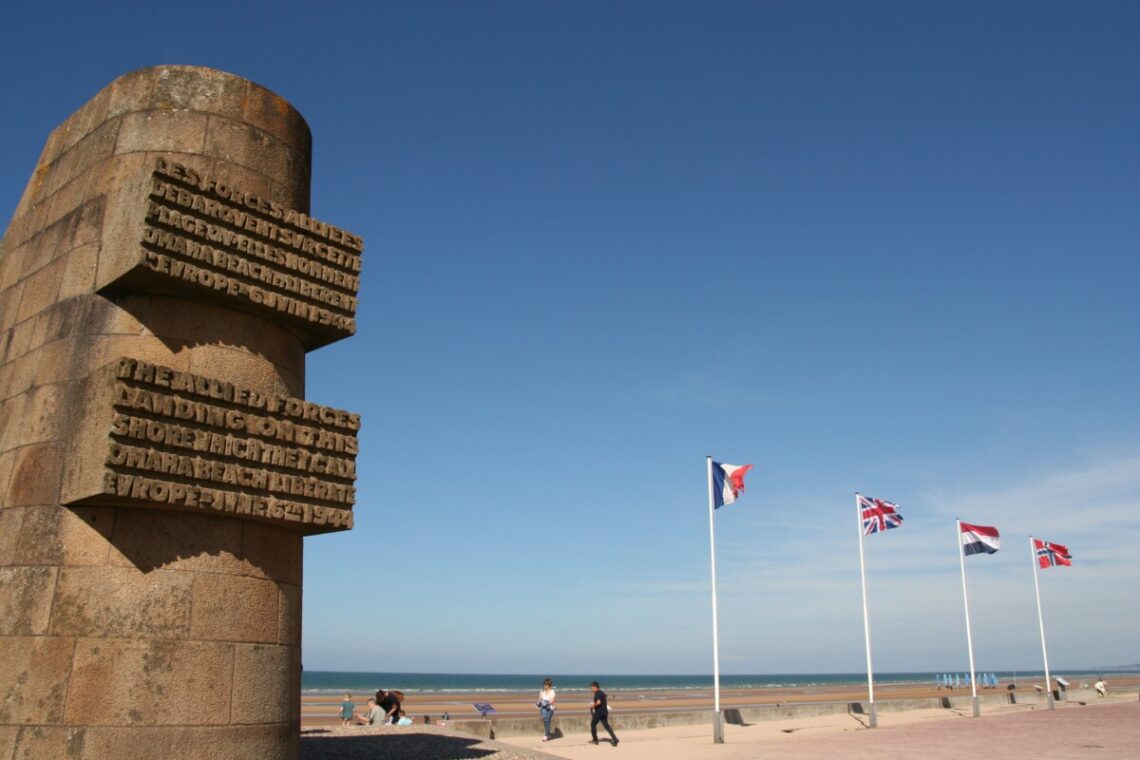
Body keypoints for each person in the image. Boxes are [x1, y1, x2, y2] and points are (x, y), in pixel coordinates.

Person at [588, 681, 618, 746]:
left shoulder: (597, 693)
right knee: (606, 726)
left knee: (593, 725)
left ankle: (595, 740)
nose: (591, 689)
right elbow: (604, 698)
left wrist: (592, 706)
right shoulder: (602, 692)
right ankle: (615, 739)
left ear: (595, 687)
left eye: (592, 688)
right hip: (605, 712)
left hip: (599, 712)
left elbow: (598, 702)